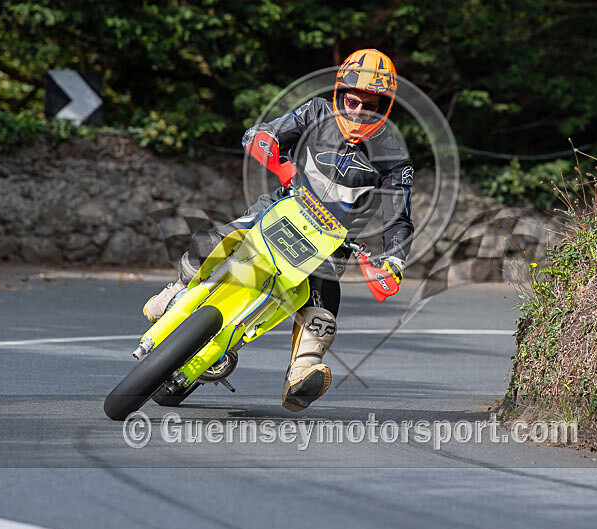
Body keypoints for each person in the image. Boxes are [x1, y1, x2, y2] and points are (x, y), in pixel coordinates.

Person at [143, 48, 414, 411]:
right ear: (339, 94)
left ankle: (303, 370)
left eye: (372, 104)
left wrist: (391, 263)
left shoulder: (395, 158)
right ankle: (177, 288)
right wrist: (266, 144)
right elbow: (263, 132)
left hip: (333, 242)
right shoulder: (316, 111)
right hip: (280, 207)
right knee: (212, 241)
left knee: (325, 307)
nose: (359, 111)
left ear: (387, 106)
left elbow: (399, 219)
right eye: (352, 100)